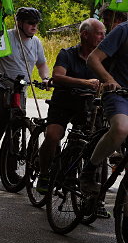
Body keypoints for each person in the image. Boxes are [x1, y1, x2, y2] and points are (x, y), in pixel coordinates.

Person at [36, 18, 105, 193]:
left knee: (91, 142)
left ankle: (82, 182)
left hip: (88, 106)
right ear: (85, 34)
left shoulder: (103, 57)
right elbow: (58, 77)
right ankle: (44, 174)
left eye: (104, 33)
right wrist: (86, 83)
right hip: (63, 102)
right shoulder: (67, 54)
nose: (103, 37)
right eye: (99, 33)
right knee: (52, 135)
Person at [0, 7, 50, 163]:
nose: (34, 27)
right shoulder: (6, 37)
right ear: (19, 23)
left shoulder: (36, 42)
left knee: (17, 122)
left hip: (19, 88)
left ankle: (11, 168)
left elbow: (41, 64)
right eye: (31, 23)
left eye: (36, 23)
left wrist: (45, 78)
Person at [80, 16, 128, 194]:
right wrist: (109, 80)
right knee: (122, 128)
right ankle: (89, 171)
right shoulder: (123, 30)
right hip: (119, 93)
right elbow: (93, 59)